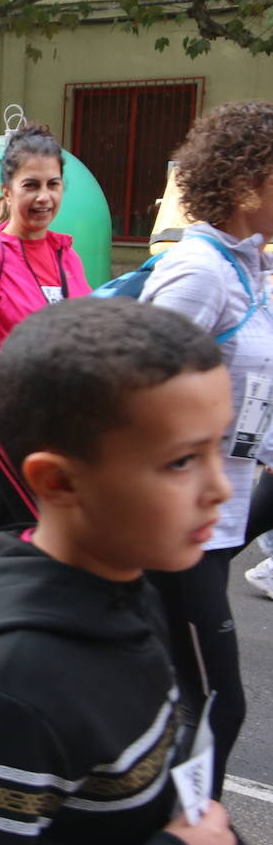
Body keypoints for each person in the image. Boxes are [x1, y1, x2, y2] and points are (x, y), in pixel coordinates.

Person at [0, 297, 254, 845]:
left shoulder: (126, 585)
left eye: (216, 450)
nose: (220, 489)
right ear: (59, 481)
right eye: (181, 462)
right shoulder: (1, 692)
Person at [138, 100, 273, 800]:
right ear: (247, 184)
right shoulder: (200, 273)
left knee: (189, 699)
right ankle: (188, 841)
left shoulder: (255, 271)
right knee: (217, 702)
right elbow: (133, 391)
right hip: (178, 525)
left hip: (223, 512)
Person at [0, 122, 91, 545]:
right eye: (31, 185)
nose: (44, 197)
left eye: (53, 184)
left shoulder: (68, 257)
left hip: (60, 420)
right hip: (6, 415)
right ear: (7, 191)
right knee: (55, 533)